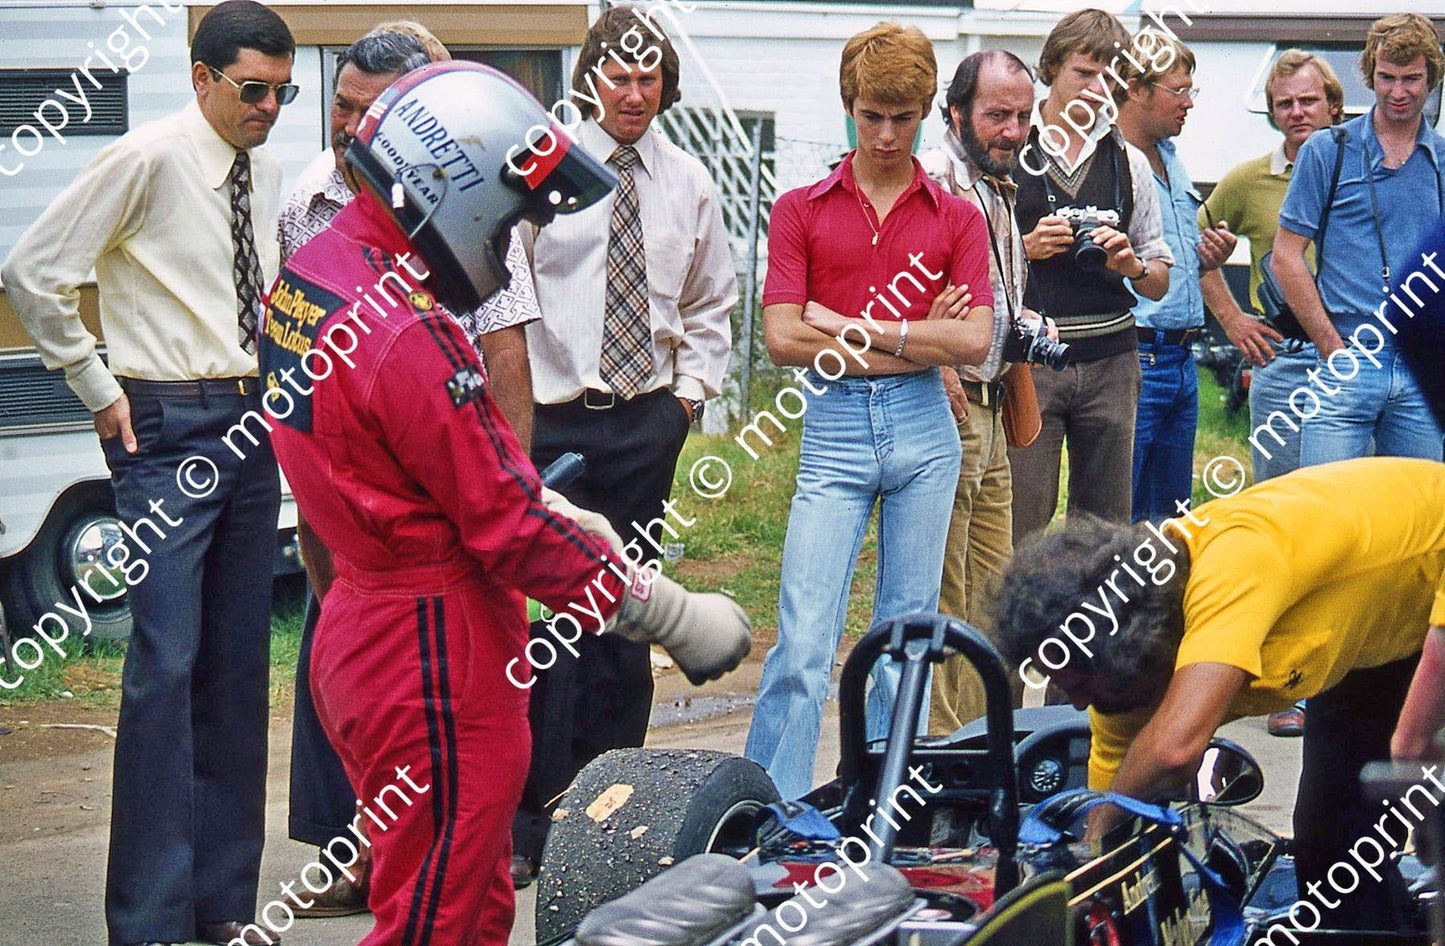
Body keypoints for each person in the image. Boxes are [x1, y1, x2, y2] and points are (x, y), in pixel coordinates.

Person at [259, 60, 752, 944]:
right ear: (454, 190)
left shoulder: (312, 275)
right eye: (507, 212)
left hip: (363, 625)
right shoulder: (408, 333)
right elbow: (507, 527)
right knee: (436, 921)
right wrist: (667, 613)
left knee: (471, 893)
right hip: (429, 651)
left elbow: (408, 479)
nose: (510, 232)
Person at [1, 3, 294, 943]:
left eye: (282, 93)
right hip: (166, 423)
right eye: (252, 90)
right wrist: (94, 386)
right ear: (202, 77)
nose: (268, 108)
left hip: (251, 419)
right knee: (166, 664)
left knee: (236, 665)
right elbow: (33, 270)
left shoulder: (262, 170)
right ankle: (150, 920)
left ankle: (221, 906)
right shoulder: (148, 158)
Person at [993, 457, 1445, 930]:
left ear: (1127, 647)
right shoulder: (1119, 680)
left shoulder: (1233, 563)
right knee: (1333, 846)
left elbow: (1173, 751)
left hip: (1432, 565)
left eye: (1079, 686)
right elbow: (1116, 814)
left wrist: (1102, 834)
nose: (1078, 705)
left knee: (1412, 763)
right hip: (1374, 625)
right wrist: (1088, 877)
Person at [510, 4, 738, 883]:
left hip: (644, 423)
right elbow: (504, 291)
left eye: (648, 79)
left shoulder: (688, 182)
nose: (633, 94)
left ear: (665, 86)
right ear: (591, 81)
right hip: (552, 421)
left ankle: (613, 822)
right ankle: (529, 824)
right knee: (549, 623)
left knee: (626, 618)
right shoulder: (544, 169)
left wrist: (684, 402)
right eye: (618, 77)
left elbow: (711, 302)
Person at [742, 21, 996, 800]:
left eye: (903, 118)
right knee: (803, 640)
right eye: (870, 116)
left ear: (928, 112)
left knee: (904, 637)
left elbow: (975, 340)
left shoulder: (957, 216)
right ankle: (769, 806)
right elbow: (784, 339)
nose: (885, 135)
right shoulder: (799, 208)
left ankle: (882, 804)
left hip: (925, 429)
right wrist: (919, 340)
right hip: (835, 427)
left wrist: (846, 325)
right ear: (848, 106)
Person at [1199, 49, 1345, 739]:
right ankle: (1289, 682)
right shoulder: (1249, 179)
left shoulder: (1364, 167)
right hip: (1285, 365)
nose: (1296, 114)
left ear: (1333, 105)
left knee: (1346, 523)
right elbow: (1190, 240)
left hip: (1358, 363)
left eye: (1308, 101)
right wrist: (1231, 319)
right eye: (1284, 104)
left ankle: (1352, 682)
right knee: (1285, 525)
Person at [1009, 8, 1174, 546]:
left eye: (1109, 76)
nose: (1096, 87)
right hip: (1031, 359)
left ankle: (1093, 606)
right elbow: (970, 260)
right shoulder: (1013, 147)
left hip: (1112, 359)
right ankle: (1017, 606)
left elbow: (1158, 279)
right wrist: (1026, 248)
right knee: (1021, 517)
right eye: (1084, 72)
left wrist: (1130, 264)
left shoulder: (1129, 160)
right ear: (1052, 68)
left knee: (1104, 529)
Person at [919, 49, 1041, 733]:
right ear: (956, 112)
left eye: (1022, 116)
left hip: (994, 401)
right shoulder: (934, 179)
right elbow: (903, 291)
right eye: (997, 115)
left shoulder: (996, 181)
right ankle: (936, 753)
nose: (1012, 130)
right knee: (945, 590)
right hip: (949, 401)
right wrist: (937, 365)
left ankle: (982, 745)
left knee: (993, 591)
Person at [1272, 12, 1445, 467]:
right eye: (1386, 77)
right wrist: (1330, 346)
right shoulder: (1327, 150)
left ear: (1431, 78)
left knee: (1416, 508)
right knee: (1326, 504)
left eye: (1411, 79)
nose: (1398, 92)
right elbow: (1285, 257)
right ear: (1370, 76)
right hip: (1347, 354)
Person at [1117, 34, 1236, 522]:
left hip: (1182, 358)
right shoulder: (1110, 163)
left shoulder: (1170, 156)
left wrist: (1207, 259)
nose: (1189, 103)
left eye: (1192, 90)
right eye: (1178, 90)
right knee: (1120, 514)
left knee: (1170, 519)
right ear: (1135, 89)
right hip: (1137, 355)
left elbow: (1168, 255)